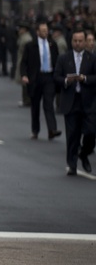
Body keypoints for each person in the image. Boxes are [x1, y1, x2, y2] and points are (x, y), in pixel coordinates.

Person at [54, 29, 96, 176]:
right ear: (71, 41)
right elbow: (57, 77)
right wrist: (67, 80)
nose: (77, 44)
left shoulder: (92, 58)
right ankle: (71, 164)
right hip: (71, 101)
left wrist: (85, 79)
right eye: (75, 41)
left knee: (91, 132)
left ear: (85, 42)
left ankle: (84, 153)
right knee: (72, 135)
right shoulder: (64, 58)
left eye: (80, 41)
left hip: (88, 101)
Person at [20, 20, 61, 140]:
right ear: (37, 32)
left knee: (49, 104)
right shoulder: (30, 45)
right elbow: (24, 62)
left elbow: (57, 61)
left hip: (49, 77)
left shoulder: (52, 44)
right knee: (35, 105)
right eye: (43, 31)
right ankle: (35, 130)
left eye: (47, 31)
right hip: (36, 78)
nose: (45, 33)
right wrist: (24, 75)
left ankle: (52, 130)